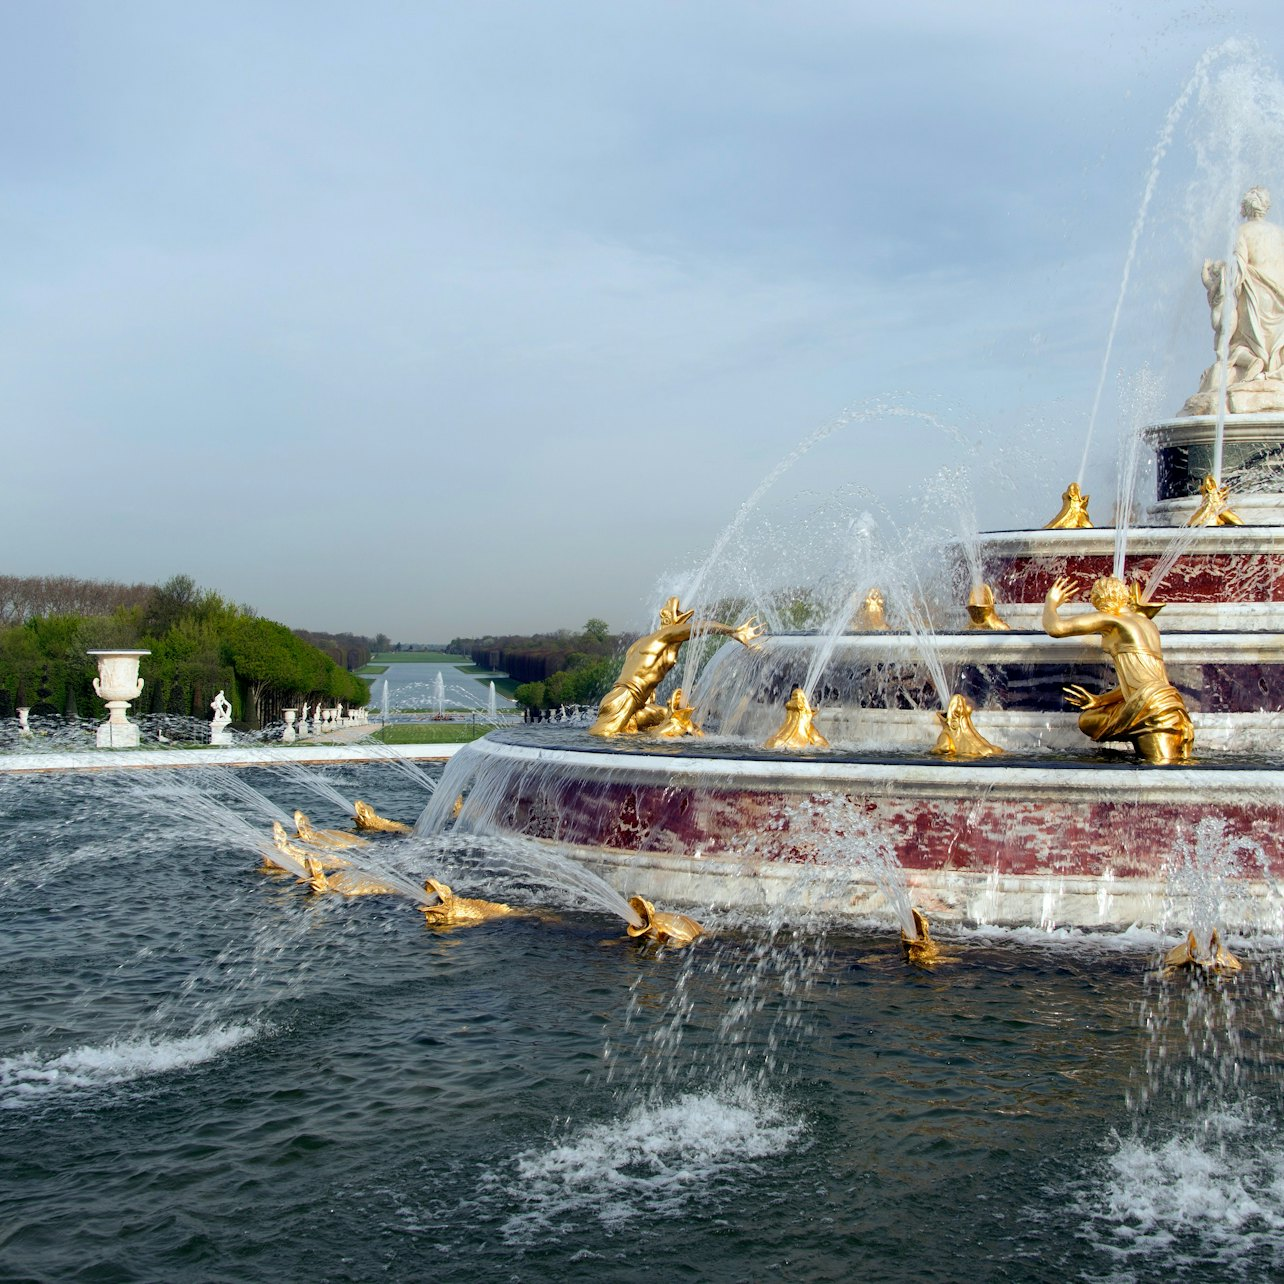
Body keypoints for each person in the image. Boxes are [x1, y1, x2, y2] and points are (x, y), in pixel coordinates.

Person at [1042, 575, 1193, 764]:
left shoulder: (1113, 619)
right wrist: (1100, 700)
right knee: (1088, 720)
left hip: (1153, 711)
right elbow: (1139, 681)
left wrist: (1051, 602)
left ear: (1101, 602)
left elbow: (1055, 628)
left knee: (1160, 775)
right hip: (1163, 702)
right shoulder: (1148, 624)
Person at [589, 597, 763, 737]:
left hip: (636, 703)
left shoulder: (642, 644)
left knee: (676, 719)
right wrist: (732, 631)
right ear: (668, 621)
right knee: (602, 740)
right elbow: (697, 628)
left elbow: (663, 660)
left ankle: (704, 741)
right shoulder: (662, 636)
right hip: (624, 699)